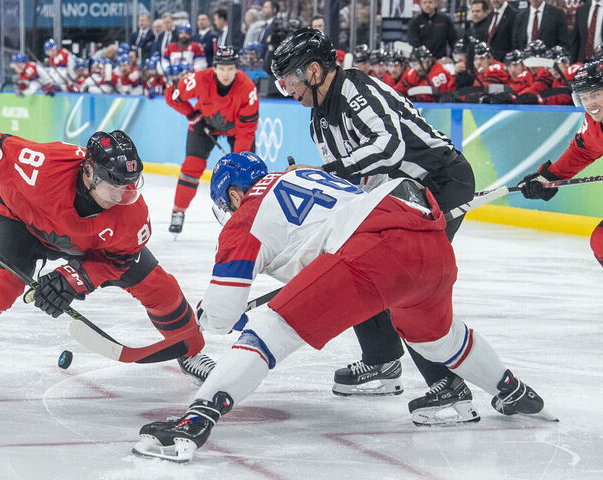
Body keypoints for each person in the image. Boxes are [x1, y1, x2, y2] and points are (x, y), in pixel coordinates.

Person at [132, 152, 554, 463]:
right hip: (427, 235)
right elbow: (322, 246)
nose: (229, 210)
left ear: (236, 194)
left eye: (228, 201)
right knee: (439, 339)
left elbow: (222, 316)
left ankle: (193, 424)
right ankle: (513, 391)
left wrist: (204, 315)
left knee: (269, 329)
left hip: (372, 250)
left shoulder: (246, 217)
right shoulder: (304, 174)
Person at [269, 28, 479, 426]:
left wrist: (323, 172)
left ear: (314, 70)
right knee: (354, 258)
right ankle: (382, 359)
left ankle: (448, 385)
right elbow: (352, 182)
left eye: (291, 80)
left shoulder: (354, 87)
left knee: (404, 276)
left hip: (439, 181)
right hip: (399, 192)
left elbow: (389, 148)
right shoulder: (319, 121)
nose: (289, 91)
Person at [0, 127, 204, 364]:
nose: (120, 197)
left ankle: (192, 353)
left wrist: (73, 279)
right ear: (88, 171)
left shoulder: (133, 216)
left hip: (91, 246)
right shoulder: (41, 166)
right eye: (113, 186)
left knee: (160, 288)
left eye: (127, 187)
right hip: (20, 222)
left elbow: (118, 261)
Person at [165, 46, 259, 235]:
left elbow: (246, 131)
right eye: (222, 68)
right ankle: (178, 210)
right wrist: (191, 115)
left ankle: (247, 216)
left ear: (237, 68)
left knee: (247, 174)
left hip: (236, 130)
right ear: (214, 68)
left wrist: (237, 160)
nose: (226, 73)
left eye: (230, 68)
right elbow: (171, 96)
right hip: (203, 125)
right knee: (191, 166)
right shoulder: (199, 79)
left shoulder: (247, 88)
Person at [517, 60, 603, 265]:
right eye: (584, 97)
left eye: (595, 94)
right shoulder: (593, 123)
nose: (589, 104)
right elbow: (582, 151)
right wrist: (549, 177)